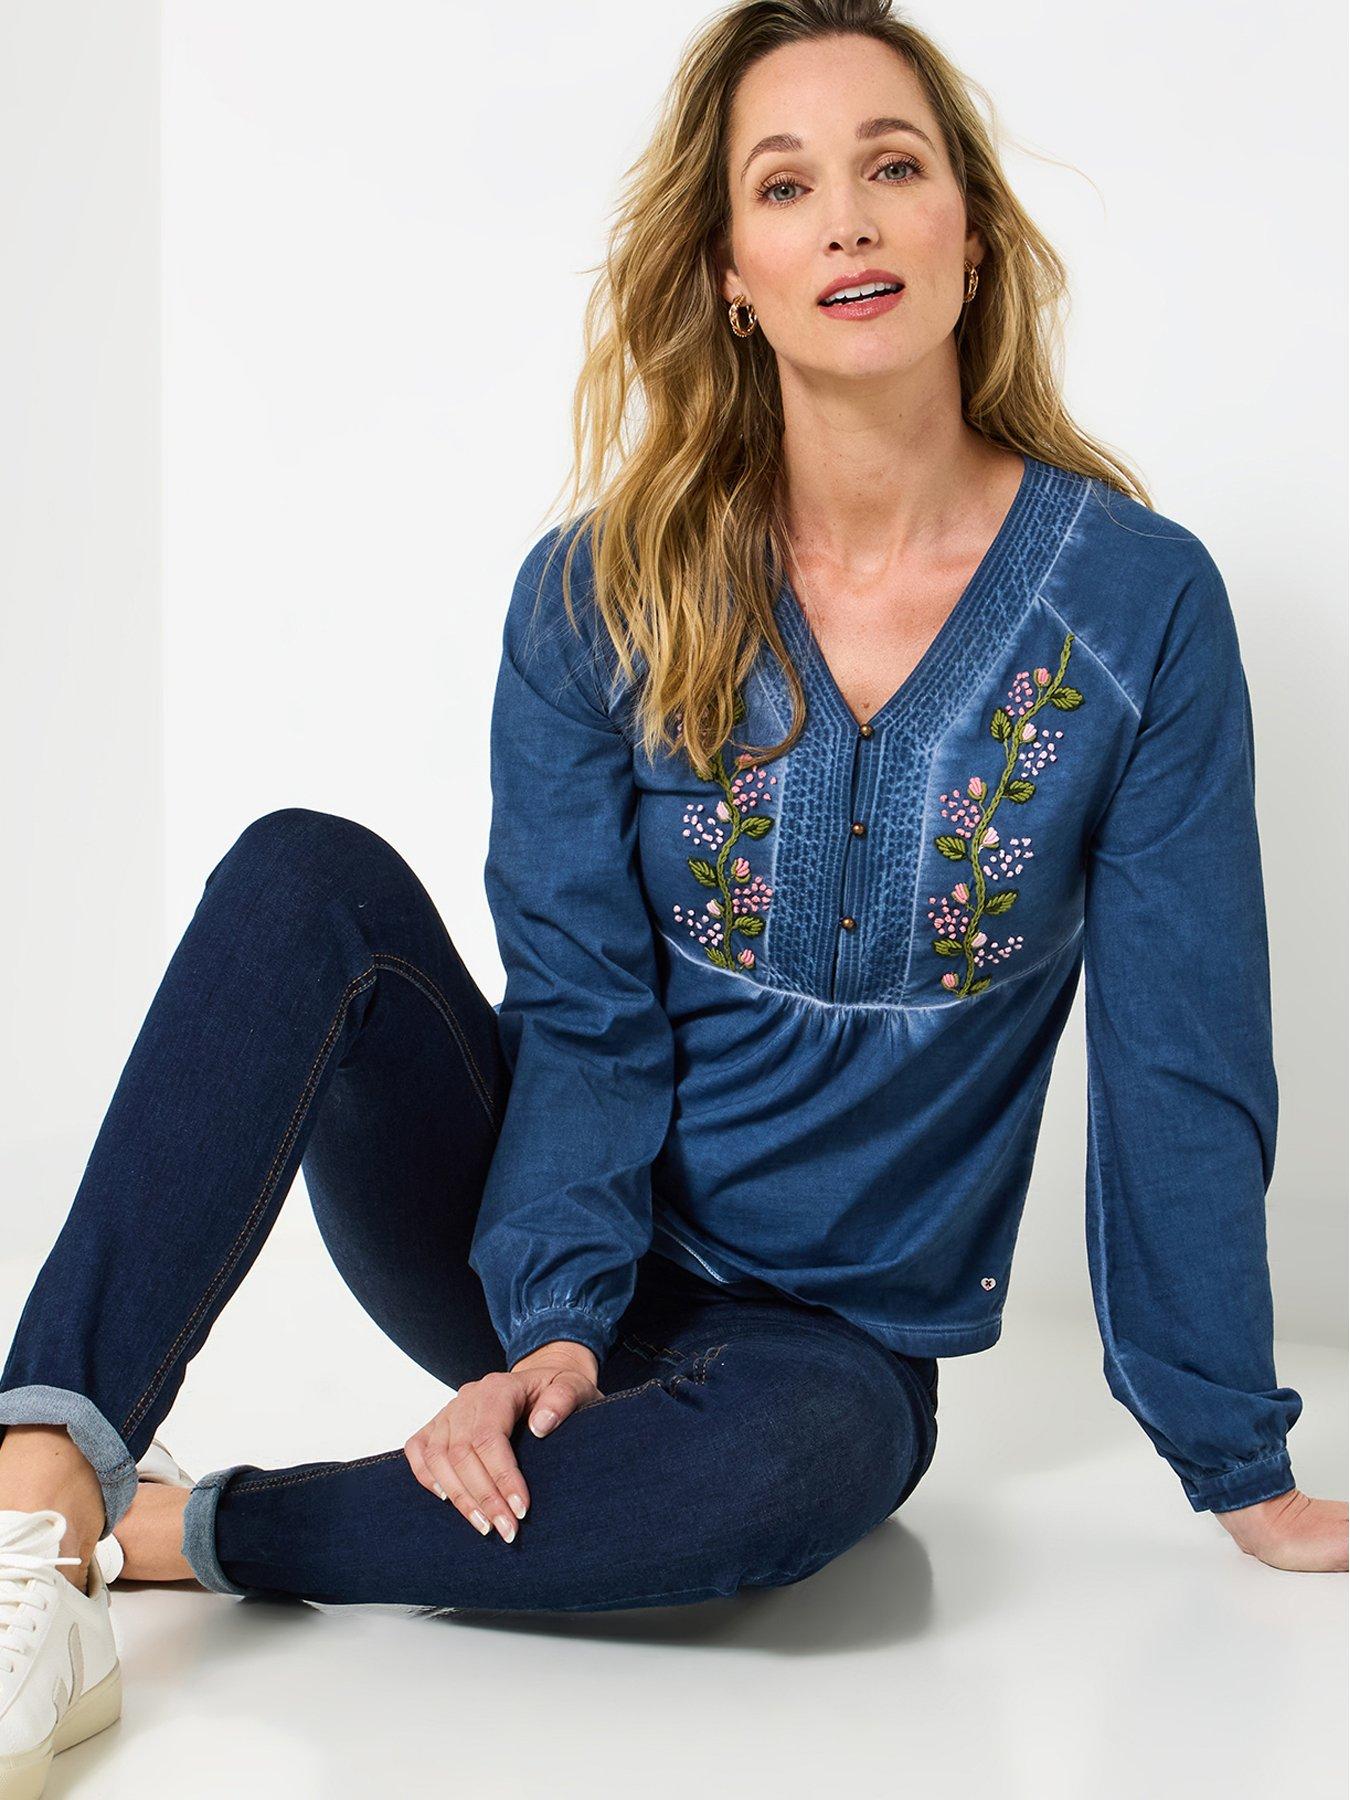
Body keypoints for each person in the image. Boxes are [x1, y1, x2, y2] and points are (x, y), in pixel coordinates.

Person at [2, 0, 1345, 1790]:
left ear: (970, 234)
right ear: (729, 276)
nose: (847, 218)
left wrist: (1238, 1463)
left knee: (786, 1488)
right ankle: (34, 1506)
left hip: (821, 1356)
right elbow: (580, 1011)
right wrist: (556, 1324)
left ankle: (193, 1532)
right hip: (524, 1240)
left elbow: (1182, 1050)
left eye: (892, 166)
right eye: (784, 187)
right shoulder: (599, 594)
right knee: (301, 877)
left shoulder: (1136, 605)